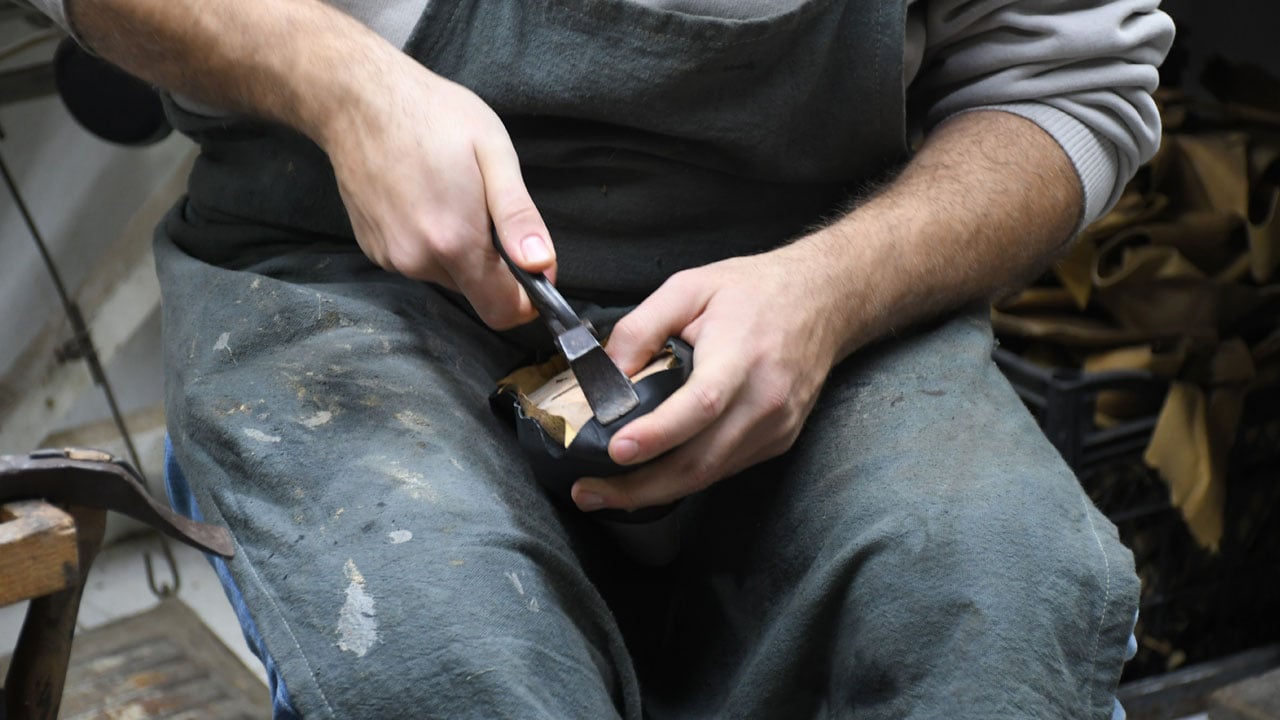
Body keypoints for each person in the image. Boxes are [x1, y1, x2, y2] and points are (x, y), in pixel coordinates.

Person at [33, 0, 1172, 717]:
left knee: (997, 590)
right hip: (342, 276)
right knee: (439, 659)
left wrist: (832, 290)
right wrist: (339, 81)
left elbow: (1066, 84)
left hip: (811, 281)